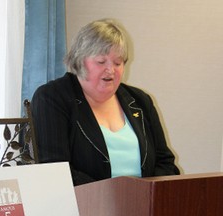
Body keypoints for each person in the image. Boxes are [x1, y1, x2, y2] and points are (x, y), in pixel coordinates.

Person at [31, 18, 180, 186]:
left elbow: (166, 163)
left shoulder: (140, 101)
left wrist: (144, 195)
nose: (111, 70)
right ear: (80, 61)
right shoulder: (52, 97)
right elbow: (54, 170)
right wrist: (112, 198)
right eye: (101, 61)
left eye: (118, 63)